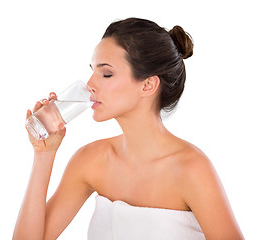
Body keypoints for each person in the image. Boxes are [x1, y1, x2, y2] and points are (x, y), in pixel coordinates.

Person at [13, 17, 244, 240]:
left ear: (147, 85)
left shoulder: (191, 169)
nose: (90, 85)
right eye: (92, 71)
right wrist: (44, 154)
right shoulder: (90, 160)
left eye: (106, 73)